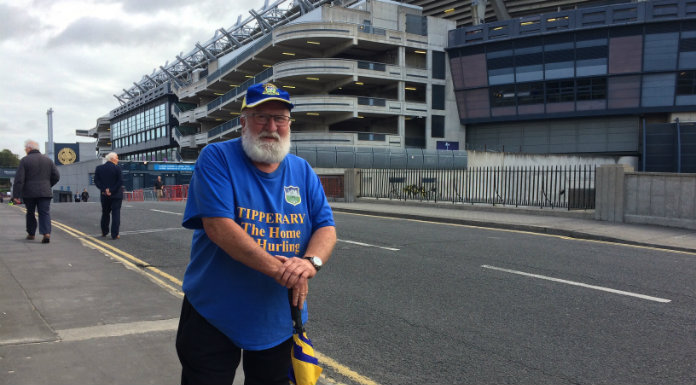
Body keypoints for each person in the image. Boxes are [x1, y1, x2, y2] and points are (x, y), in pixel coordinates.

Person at [176, 82, 337, 385]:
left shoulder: (301, 170)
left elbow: (325, 227)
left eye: (280, 118)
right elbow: (219, 227)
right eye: (261, 116)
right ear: (244, 121)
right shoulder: (216, 157)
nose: (271, 126)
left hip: (275, 317)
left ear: (289, 123)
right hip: (213, 311)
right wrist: (284, 272)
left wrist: (309, 263)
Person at [12, 139, 60, 244]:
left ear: (29, 148)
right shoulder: (48, 160)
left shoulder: (25, 160)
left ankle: (31, 234)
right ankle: (46, 233)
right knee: (44, 213)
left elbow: (19, 179)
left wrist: (16, 195)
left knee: (30, 213)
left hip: (29, 193)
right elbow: (56, 176)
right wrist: (48, 184)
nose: (25, 150)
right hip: (45, 192)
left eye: (25, 148)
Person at [94, 152, 124, 239]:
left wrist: (104, 190)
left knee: (105, 213)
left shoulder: (99, 168)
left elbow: (97, 181)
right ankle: (115, 234)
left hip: (104, 195)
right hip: (116, 195)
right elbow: (120, 181)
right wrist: (111, 190)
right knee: (116, 214)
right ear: (112, 159)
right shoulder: (117, 168)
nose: (118, 160)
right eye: (117, 158)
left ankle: (104, 232)